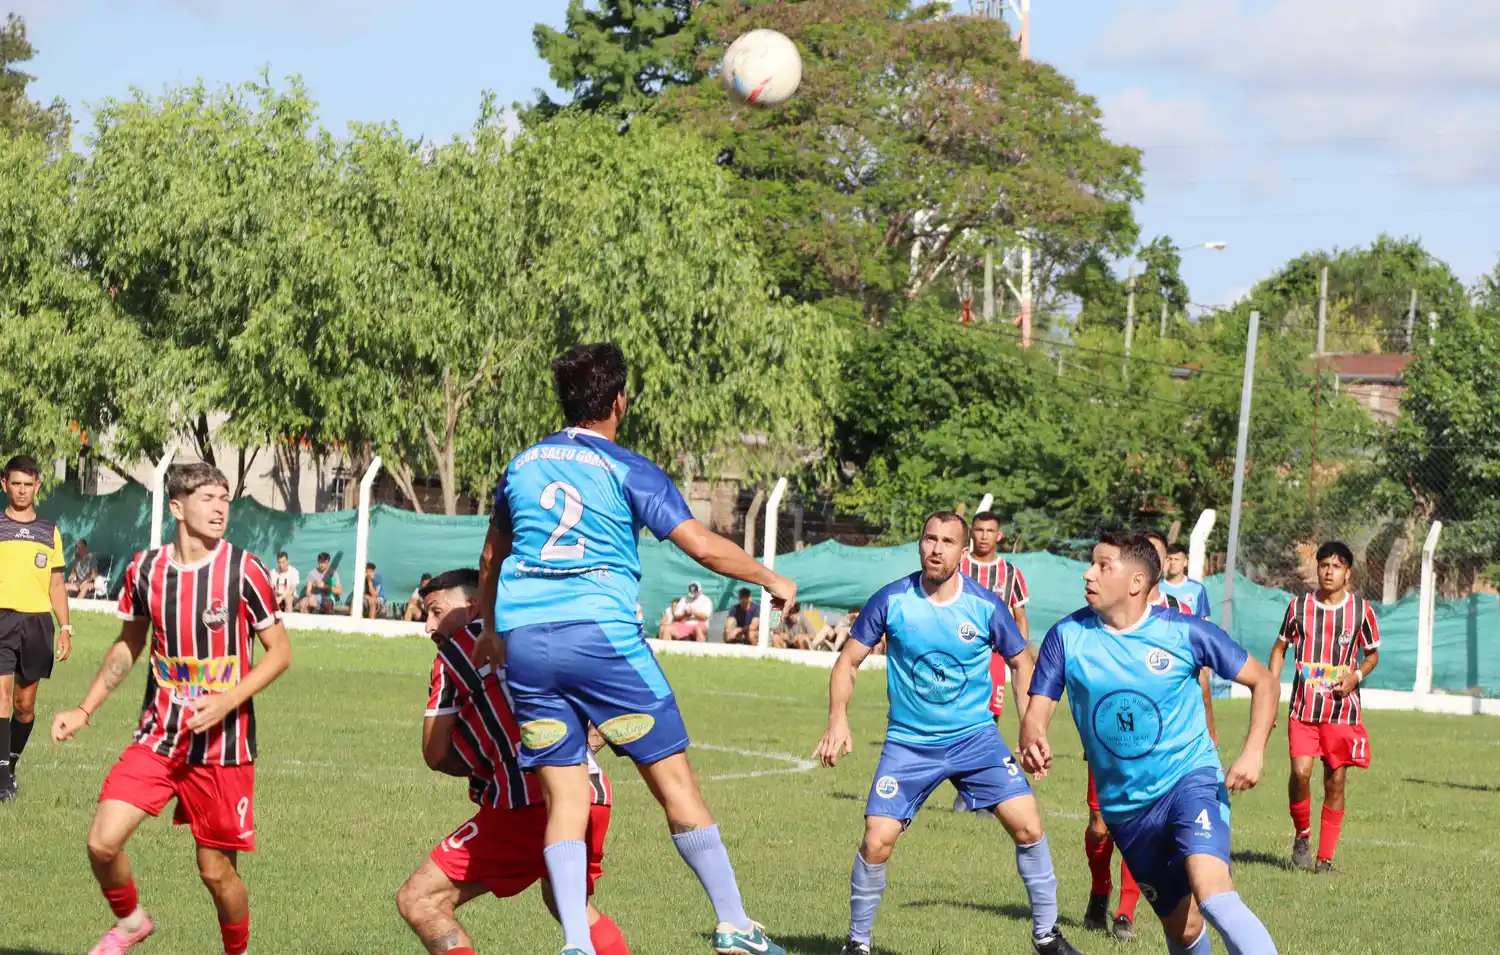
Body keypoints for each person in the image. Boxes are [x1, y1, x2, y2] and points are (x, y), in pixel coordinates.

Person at [474, 342, 797, 955]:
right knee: (675, 784)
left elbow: (492, 556)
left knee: (565, 794)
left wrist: (490, 628)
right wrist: (769, 578)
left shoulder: (521, 465)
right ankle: (733, 924)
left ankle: (576, 942)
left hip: (527, 649)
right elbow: (700, 545)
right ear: (619, 401)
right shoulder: (627, 468)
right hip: (600, 642)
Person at [813, 512, 1083, 955]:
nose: (936, 549)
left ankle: (1047, 936)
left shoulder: (984, 605)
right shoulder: (892, 599)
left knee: (1028, 824)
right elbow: (847, 661)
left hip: (975, 740)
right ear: (920, 545)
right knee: (876, 840)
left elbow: (1020, 662)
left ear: (963, 551)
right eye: (929, 539)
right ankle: (856, 944)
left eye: (947, 542)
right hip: (909, 744)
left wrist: (1029, 728)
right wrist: (837, 719)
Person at [51, 462, 292, 955]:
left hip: (223, 750)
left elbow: (280, 652)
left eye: (225, 498)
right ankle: (132, 921)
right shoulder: (145, 570)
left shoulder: (243, 570)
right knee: (102, 843)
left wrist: (227, 700)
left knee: (216, 873)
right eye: (208, 498)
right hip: (159, 737)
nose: (221, 507)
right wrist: (85, 708)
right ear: (178, 508)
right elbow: (128, 646)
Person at [1019, 531, 1280, 955]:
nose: (1088, 574)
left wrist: (1253, 752)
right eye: (1091, 563)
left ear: (1137, 582)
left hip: (1188, 780)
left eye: (1104, 566)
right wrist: (1034, 736)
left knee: (1212, 893)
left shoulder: (1186, 633)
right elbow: (1037, 711)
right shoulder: (1067, 636)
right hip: (1126, 807)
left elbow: (1264, 681)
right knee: (1184, 930)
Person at [396, 569, 631, 955]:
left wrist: (487, 764)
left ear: (473, 606)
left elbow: (435, 754)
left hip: (530, 804)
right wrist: (585, 743)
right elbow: (615, 697)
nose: (429, 626)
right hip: (591, 794)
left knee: (420, 898)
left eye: (436, 611)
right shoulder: (542, 627)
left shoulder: (455, 651)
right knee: (570, 905)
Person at [1080, 530, 1217, 942]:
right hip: (1112, 743)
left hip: (1164, 746)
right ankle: (1099, 890)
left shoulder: (1179, 613)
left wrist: (1208, 728)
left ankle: (1125, 912)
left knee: (1145, 828)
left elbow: (1202, 676)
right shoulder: (1103, 613)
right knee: (1101, 827)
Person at [1266, 541, 1379, 874]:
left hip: (1340, 712)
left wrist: (1356, 675)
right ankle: (1302, 835)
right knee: (1301, 773)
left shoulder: (1361, 611)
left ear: (1348, 573)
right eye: (1325, 565)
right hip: (1303, 710)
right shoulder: (1299, 607)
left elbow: (1372, 654)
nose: (1330, 571)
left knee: (1336, 781)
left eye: (1337, 566)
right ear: (1318, 569)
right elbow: (1278, 650)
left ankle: (1325, 859)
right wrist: (1271, 694)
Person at [0, 454, 72, 801]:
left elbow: (56, 585)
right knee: (1, 696)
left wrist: (66, 627)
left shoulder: (49, 532)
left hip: (37, 623)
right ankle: (1, 781)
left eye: (29, 484)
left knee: (24, 706)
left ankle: (8, 766)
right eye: (16, 484)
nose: (22, 490)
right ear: (4, 485)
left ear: (37, 486)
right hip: (1, 619)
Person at [959, 512, 1031, 724]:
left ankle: (985, 752)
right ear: (971, 533)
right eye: (979, 530)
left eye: (989, 531)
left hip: (994, 656)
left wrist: (1022, 652)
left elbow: (1020, 617)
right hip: (960, 650)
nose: (984, 536)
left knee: (992, 712)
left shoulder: (1010, 573)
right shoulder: (958, 567)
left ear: (999, 535)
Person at [1159, 543, 1211, 619]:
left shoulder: (1197, 589)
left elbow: (1202, 620)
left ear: (1185, 562)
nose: (1172, 562)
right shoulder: (1156, 587)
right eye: (1169, 559)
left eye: (1176, 559)